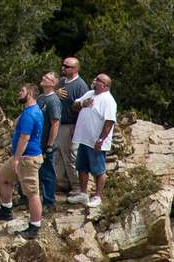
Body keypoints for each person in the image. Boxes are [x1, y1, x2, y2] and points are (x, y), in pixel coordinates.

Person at [0, 84, 45, 239]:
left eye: (22, 91)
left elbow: (25, 138)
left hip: (27, 158)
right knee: (2, 176)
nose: (18, 93)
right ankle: (6, 210)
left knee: (32, 193)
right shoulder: (32, 111)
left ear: (31, 93)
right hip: (22, 157)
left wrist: (16, 159)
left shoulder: (29, 114)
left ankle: (34, 226)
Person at [67, 73, 117, 208]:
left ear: (105, 85)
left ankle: (97, 196)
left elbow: (109, 121)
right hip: (84, 139)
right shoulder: (89, 93)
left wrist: (101, 139)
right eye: (95, 79)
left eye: (98, 80)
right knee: (82, 167)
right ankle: (83, 194)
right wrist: (83, 103)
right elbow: (74, 105)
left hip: (95, 141)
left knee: (98, 169)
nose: (94, 81)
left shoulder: (108, 100)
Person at [53, 56, 88, 195]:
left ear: (75, 69)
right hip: (59, 124)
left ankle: (77, 187)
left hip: (71, 125)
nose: (63, 68)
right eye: (63, 65)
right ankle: (62, 183)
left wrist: (77, 127)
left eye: (67, 66)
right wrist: (56, 93)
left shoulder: (80, 86)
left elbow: (84, 109)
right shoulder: (61, 82)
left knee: (70, 156)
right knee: (59, 155)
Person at [36, 71, 62, 209]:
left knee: (47, 172)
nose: (43, 78)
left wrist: (50, 145)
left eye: (47, 78)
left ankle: (49, 201)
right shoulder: (40, 98)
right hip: (36, 142)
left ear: (53, 83)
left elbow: (55, 123)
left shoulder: (53, 101)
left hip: (46, 144)